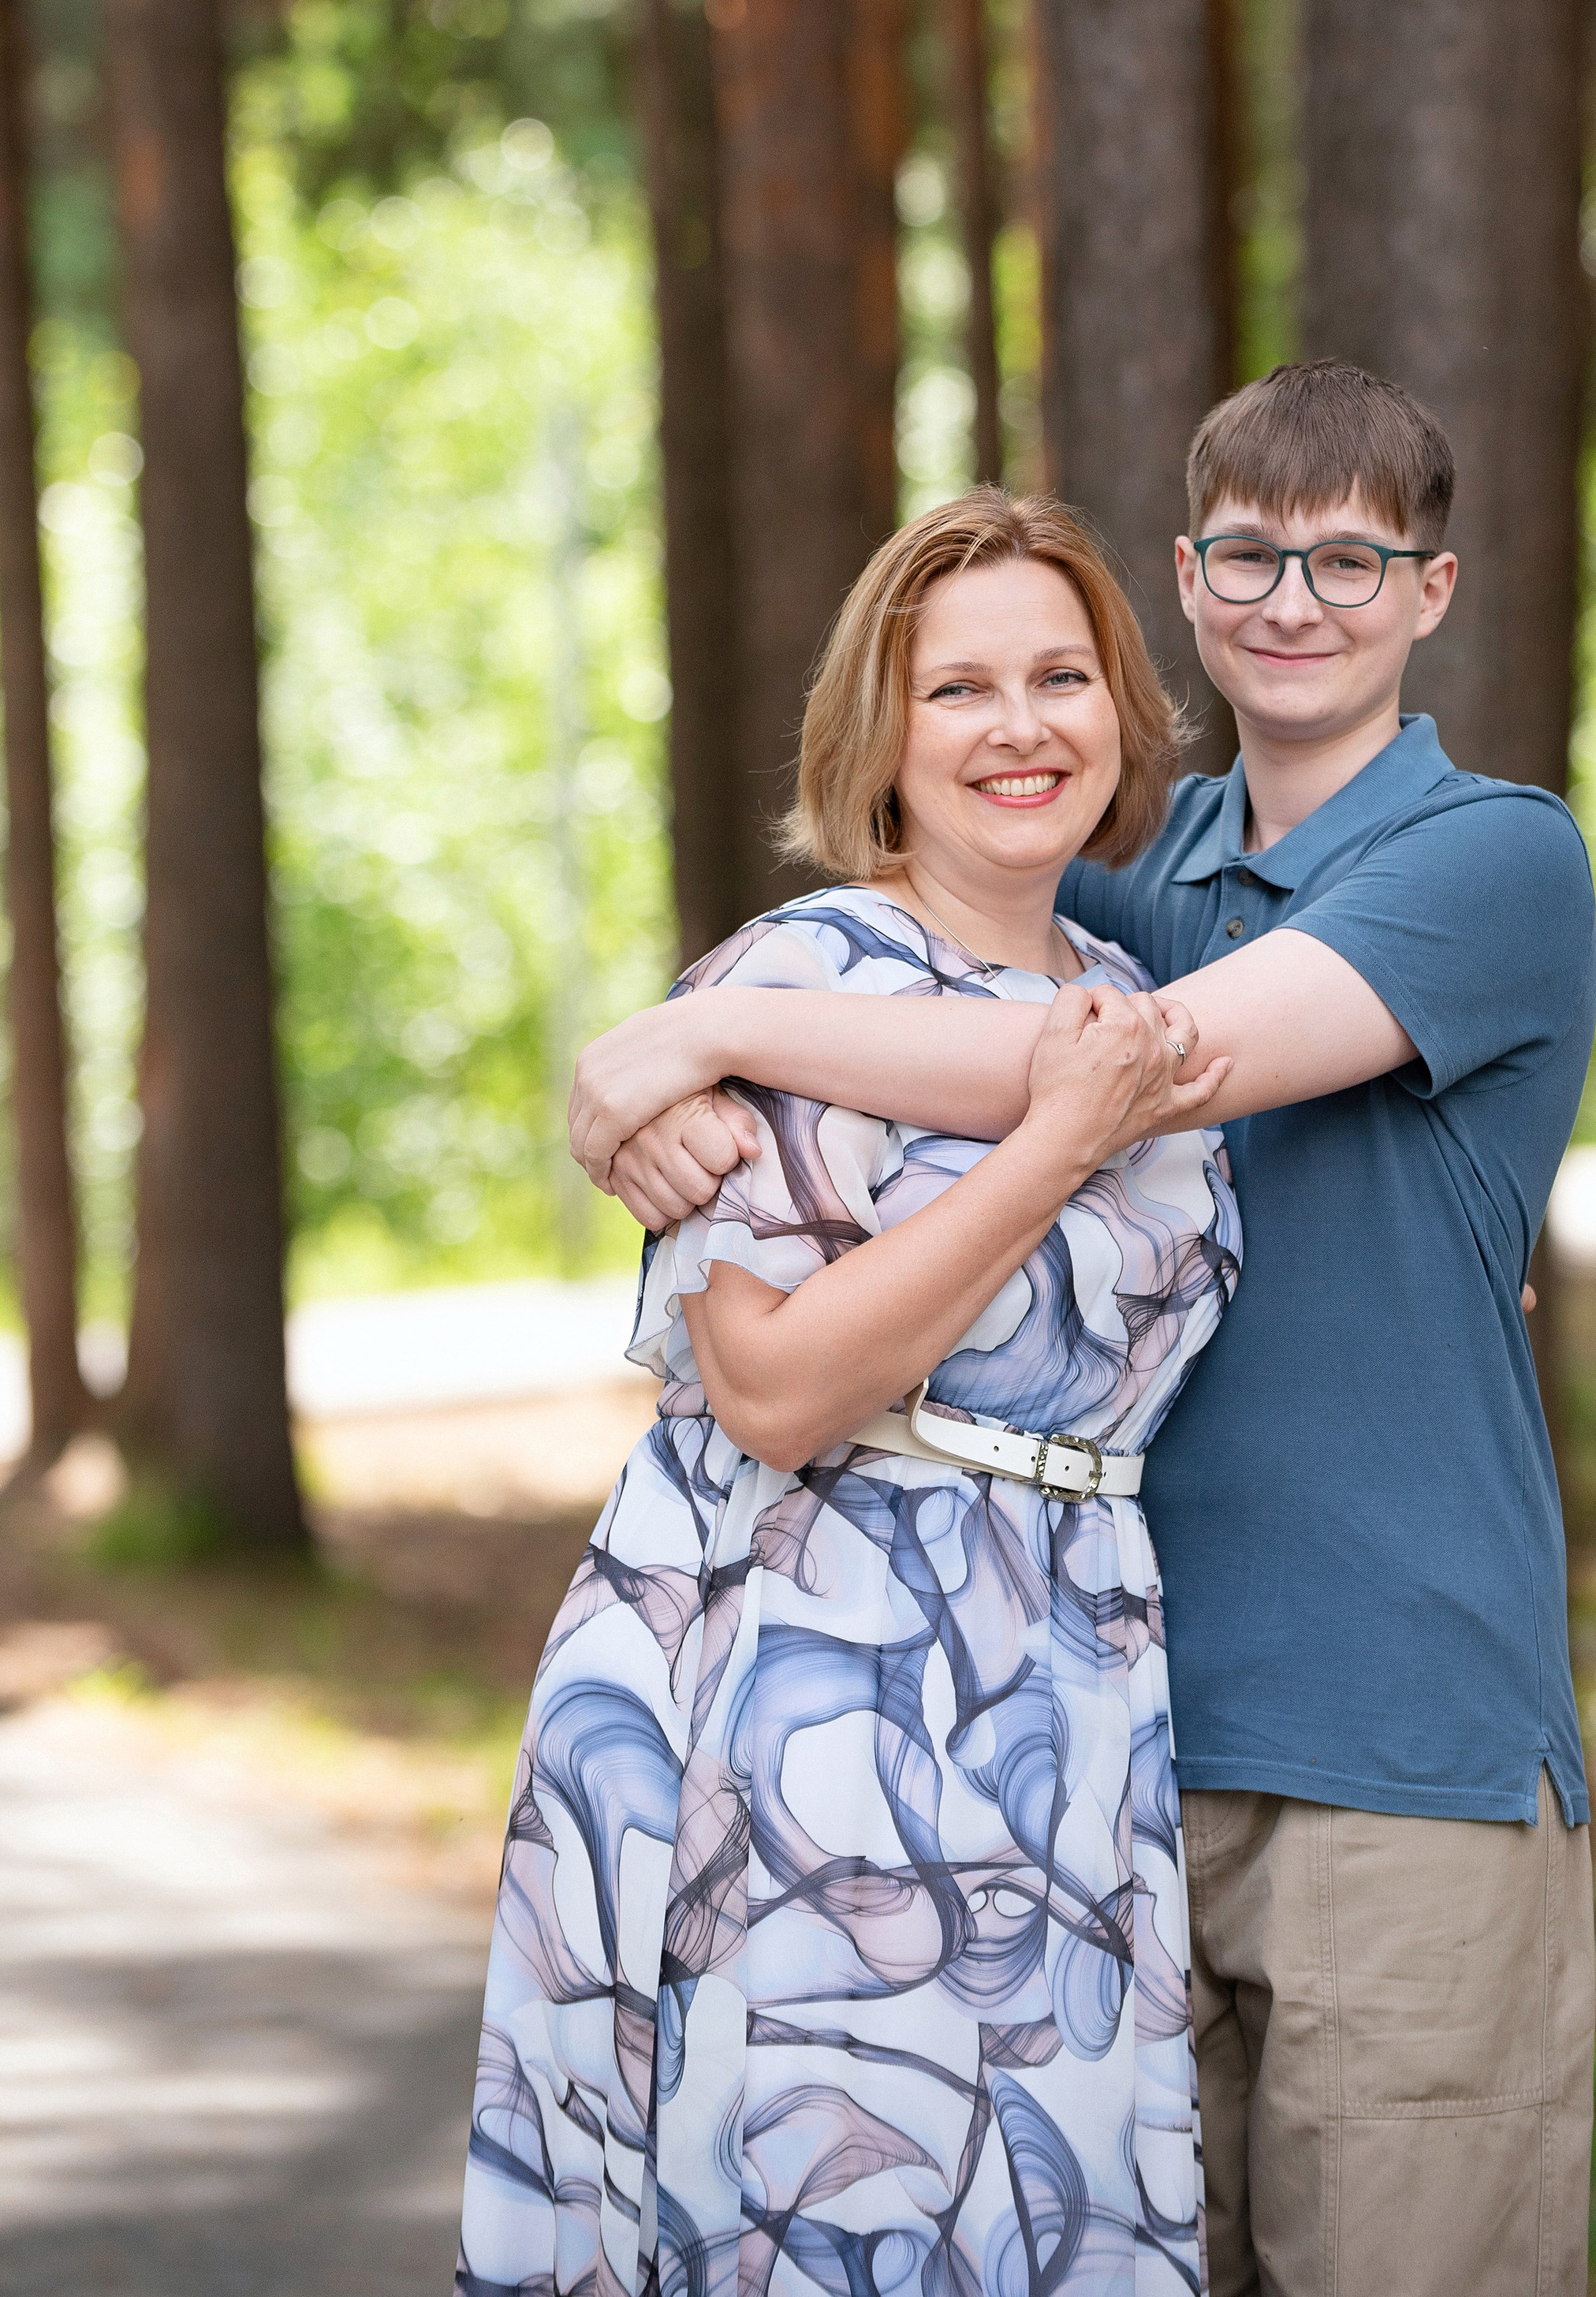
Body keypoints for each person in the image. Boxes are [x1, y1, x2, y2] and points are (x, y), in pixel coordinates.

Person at [575, 360, 1596, 2297]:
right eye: (1246, 557)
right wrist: (631, 1107)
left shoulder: (1492, 857)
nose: (1293, 600)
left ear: (1431, 589)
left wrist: (694, 1033)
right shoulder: (1126, 886)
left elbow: (1134, 1069)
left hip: (1394, 1747)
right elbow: (935, 948)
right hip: (1084, 1758)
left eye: (1348, 560)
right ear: (1190, 588)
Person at [457, 491, 1241, 2297]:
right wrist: (1049, 1146)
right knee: (839, 2207)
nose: (1019, 724)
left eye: (1061, 675)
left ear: (1121, 708)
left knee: (1036, 2216)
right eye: (958, 686)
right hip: (815, 1678)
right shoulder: (788, 978)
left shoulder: (1131, 1000)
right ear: (880, 735)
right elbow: (775, 1386)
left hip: (1074, 1693)